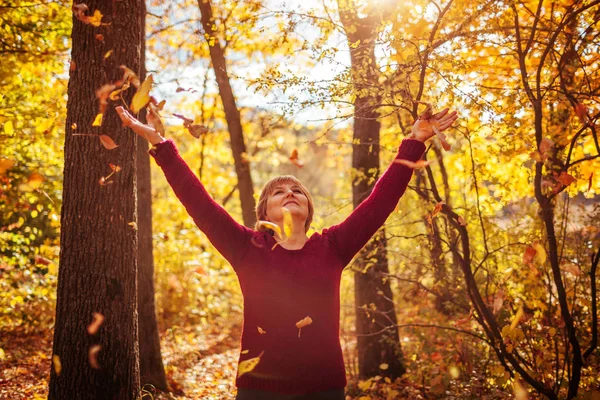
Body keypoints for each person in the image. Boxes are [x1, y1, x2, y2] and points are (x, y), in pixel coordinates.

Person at [116, 106, 458, 400]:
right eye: (278, 192)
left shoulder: (333, 246)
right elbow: (198, 201)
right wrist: (159, 143)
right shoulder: (246, 248)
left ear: (309, 208)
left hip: (323, 390)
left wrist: (415, 141)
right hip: (258, 391)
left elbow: (380, 202)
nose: (290, 193)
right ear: (265, 210)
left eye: (297, 190)